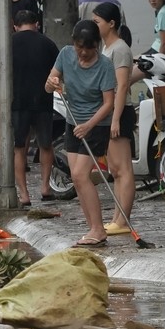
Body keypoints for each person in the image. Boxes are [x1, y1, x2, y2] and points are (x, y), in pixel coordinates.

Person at [45, 20, 116, 248]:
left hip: (96, 124)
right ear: (73, 43)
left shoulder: (104, 66)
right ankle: (92, 228)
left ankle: (98, 228)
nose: (83, 52)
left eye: (88, 47)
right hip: (72, 121)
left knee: (81, 175)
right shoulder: (65, 54)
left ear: (96, 45)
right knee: (75, 177)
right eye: (79, 47)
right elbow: (48, 84)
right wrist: (53, 82)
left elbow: (109, 104)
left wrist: (89, 125)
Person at [91, 3, 135, 236]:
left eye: (97, 21)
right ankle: (118, 217)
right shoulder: (107, 48)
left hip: (120, 112)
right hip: (109, 114)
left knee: (123, 168)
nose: (94, 25)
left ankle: (124, 220)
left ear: (111, 23)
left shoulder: (119, 48)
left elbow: (122, 85)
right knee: (115, 170)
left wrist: (116, 118)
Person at [9, 9, 60, 205]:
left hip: (17, 102)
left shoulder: (10, 43)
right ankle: (45, 187)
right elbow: (58, 71)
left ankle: (24, 194)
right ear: (36, 23)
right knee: (46, 145)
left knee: (19, 148)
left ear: (15, 25)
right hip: (43, 101)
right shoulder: (47, 43)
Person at [129, 0, 165, 84]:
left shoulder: (164, 13)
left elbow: (164, 43)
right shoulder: (162, 11)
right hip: (154, 50)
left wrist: (159, 66)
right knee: (129, 61)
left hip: (160, 55)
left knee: (127, 78)